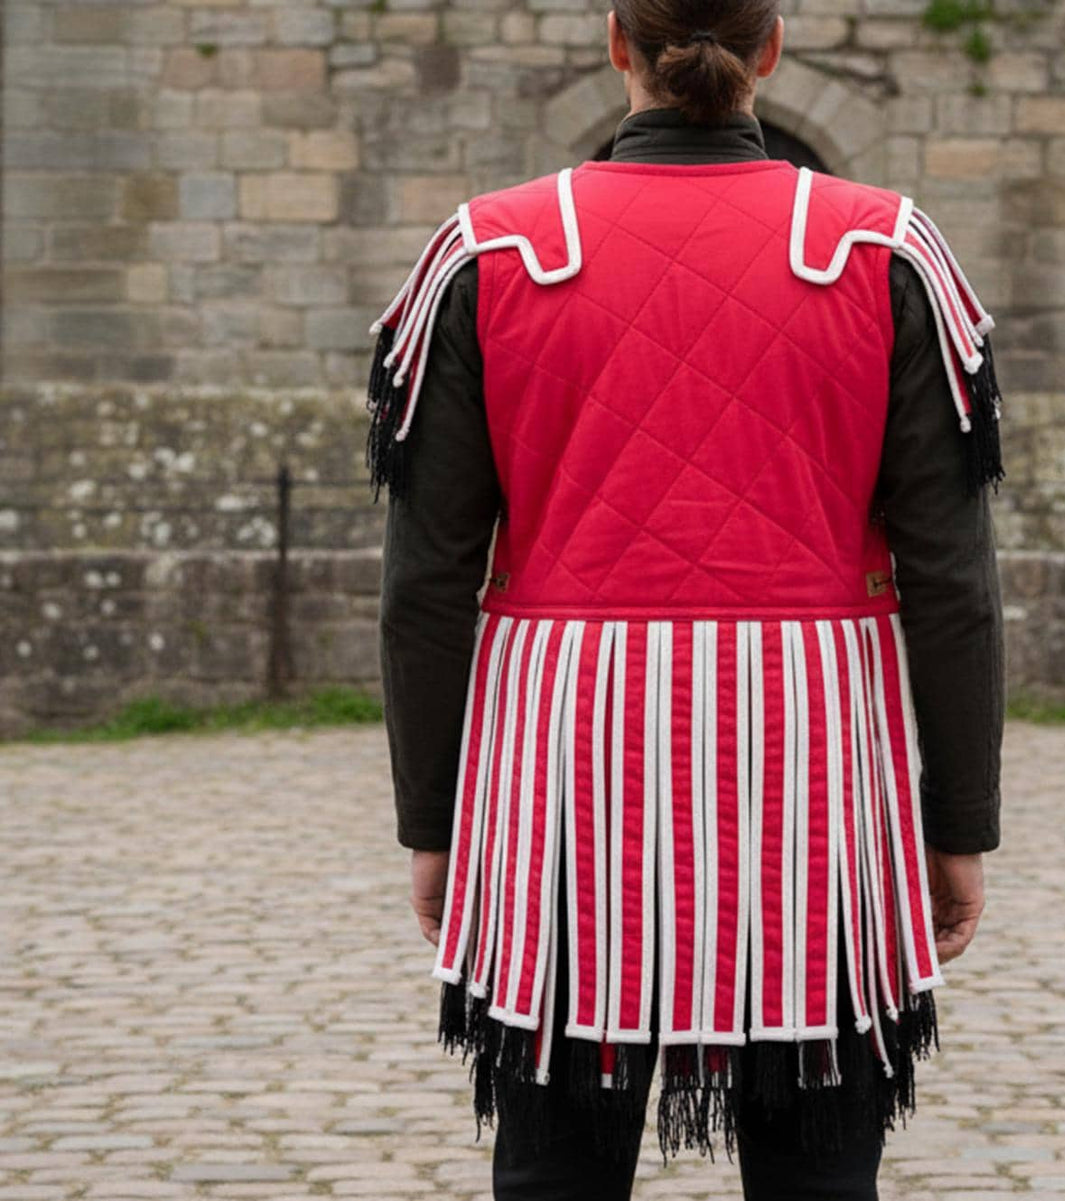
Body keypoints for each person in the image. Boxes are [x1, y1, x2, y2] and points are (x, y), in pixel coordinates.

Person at [368, 3, 1006, 1198]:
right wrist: (956, 820)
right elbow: (953, 583)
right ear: (771, 48)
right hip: (811, 762)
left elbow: (424, 586)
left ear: (617, 43)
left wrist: (434, 820)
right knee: (818, 1173)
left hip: (564, 770)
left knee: (555, 1170)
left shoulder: (489, 251)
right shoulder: (884, 251)